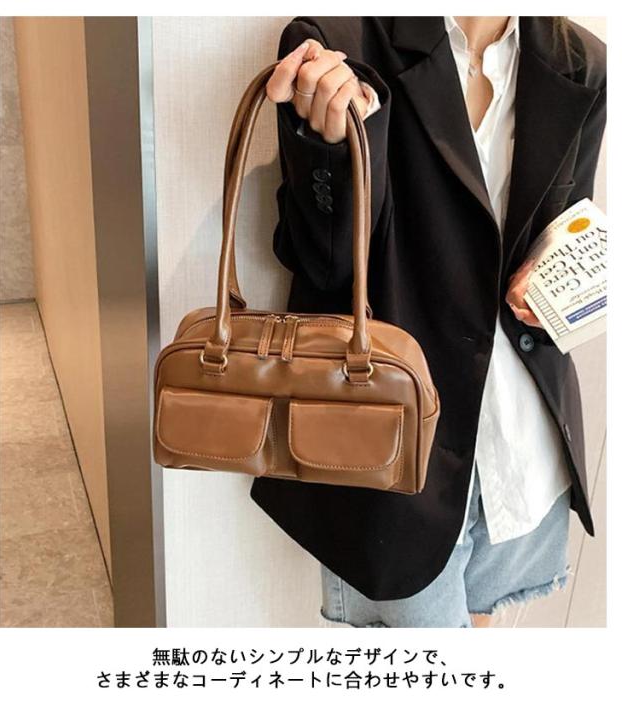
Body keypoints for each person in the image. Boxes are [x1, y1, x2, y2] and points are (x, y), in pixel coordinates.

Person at [250, 16, 607, 627]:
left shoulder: (581, 59)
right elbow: (326, 267)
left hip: (520, 445)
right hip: (394, 454)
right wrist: (334, 148)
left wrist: (570, 274)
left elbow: (568, 223)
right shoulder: (342, 43)